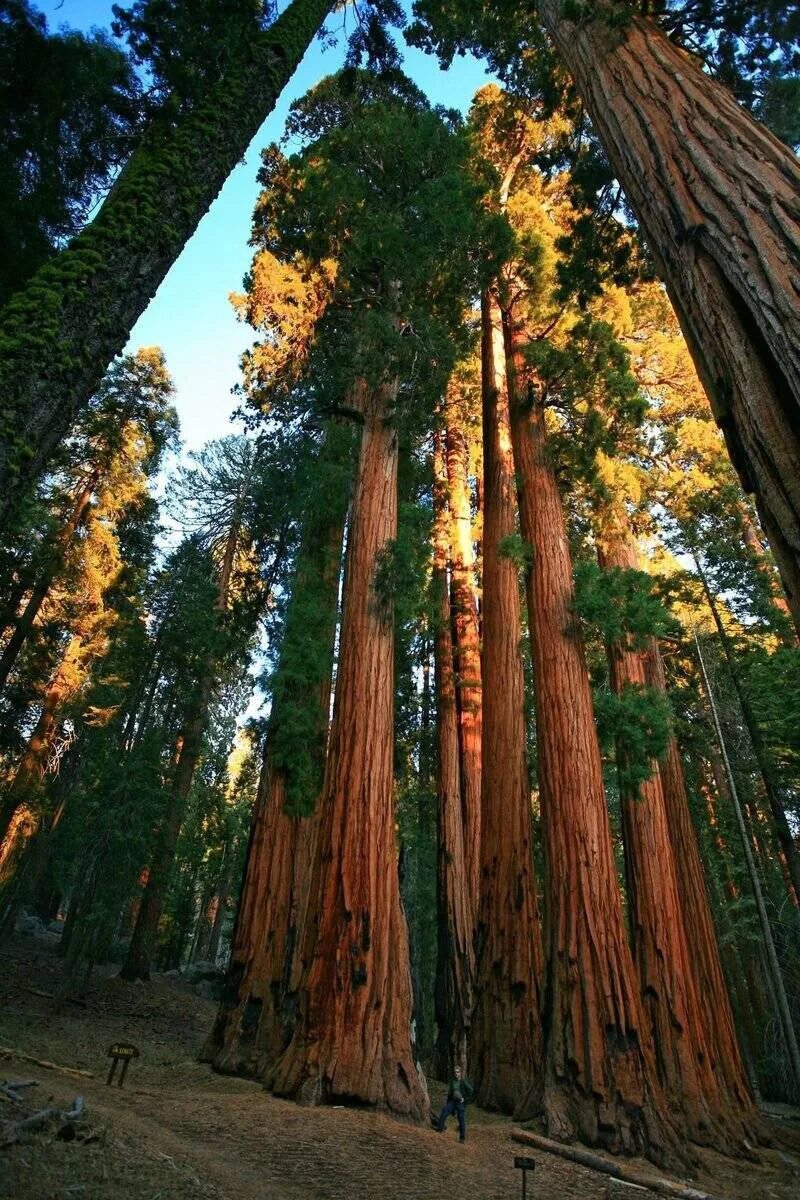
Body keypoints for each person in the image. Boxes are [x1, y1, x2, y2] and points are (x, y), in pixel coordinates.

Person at [431, 1064, 474, 1142]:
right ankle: (440, 1128)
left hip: (460, 1103)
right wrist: (448, 1102)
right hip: (453, 1101)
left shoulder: (463, 1081)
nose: (456, 1074)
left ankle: (462, 1138)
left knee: (461, 1119)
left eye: (457, 1072)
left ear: (460, 1073)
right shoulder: (452, 1081)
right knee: (444, 1111)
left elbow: (471, 1091)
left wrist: (465, 1099)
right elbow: (450, 1092)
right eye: (455, 1072)